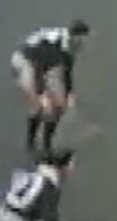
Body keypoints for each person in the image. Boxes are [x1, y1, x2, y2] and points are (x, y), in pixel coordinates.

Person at [11, 21, 90, 154]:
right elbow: (43, 67)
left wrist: (69, 93)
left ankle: (47, 145)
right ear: (76, 36)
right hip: (25, 59)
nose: (82, 45)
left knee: (59, 106)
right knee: (38, 106)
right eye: (82, 40)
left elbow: (66, 71)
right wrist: (41, 92)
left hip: (43, 63)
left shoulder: (69, 48)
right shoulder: (57, 44)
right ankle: (30, 144)